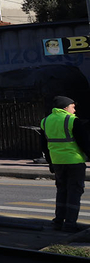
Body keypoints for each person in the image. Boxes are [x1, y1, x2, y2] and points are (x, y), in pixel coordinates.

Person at [41, 96, 90, 232]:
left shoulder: (45, 121)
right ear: (65, 107)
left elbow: (44, 146)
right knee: (74, 192)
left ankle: (58, 222)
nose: (74, 110)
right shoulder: (72, 120)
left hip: (57, 162)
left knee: (61, 191)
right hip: (74, 162)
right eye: (73, 107)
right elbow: (84, 143)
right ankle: (70, 224)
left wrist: (50, 162)